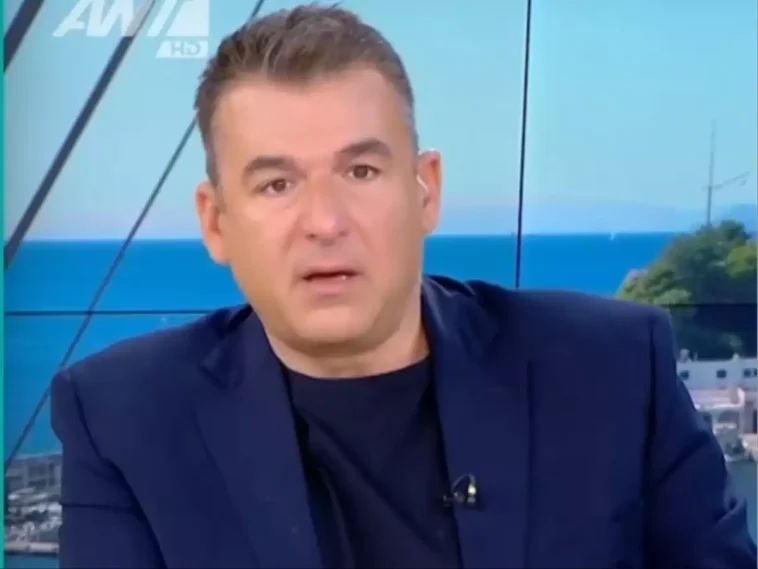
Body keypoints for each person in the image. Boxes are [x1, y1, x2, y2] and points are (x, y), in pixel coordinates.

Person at [51, 4, 756, 568]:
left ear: (426, 190)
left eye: (361, 171)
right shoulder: (123, 417)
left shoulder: (611, 367)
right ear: (216, 221)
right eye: (276, 184)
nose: (325, 221)